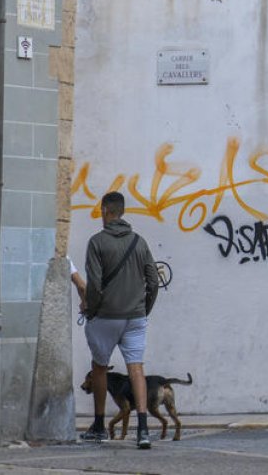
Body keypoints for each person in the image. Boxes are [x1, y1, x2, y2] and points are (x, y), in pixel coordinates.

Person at [80, 191, 160, 449]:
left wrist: (90, 309)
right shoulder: (140, 242)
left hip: (105, 316)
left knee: (100, 367)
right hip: (136, 316)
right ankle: (144, 431)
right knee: (136, 367)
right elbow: (153, 280)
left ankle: (100, 426)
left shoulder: (96, 242)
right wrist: (144, 309)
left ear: (105, 211)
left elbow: (94, 284)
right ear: (123, 212)